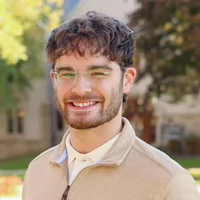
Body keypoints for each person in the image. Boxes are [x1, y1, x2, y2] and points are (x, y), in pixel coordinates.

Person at [22, 11, 200, 200]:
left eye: (98, 73)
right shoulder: (37, 171)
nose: (80, 89)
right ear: (54, 80)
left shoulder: (168, 183)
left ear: (127, 80)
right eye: (67, 74)